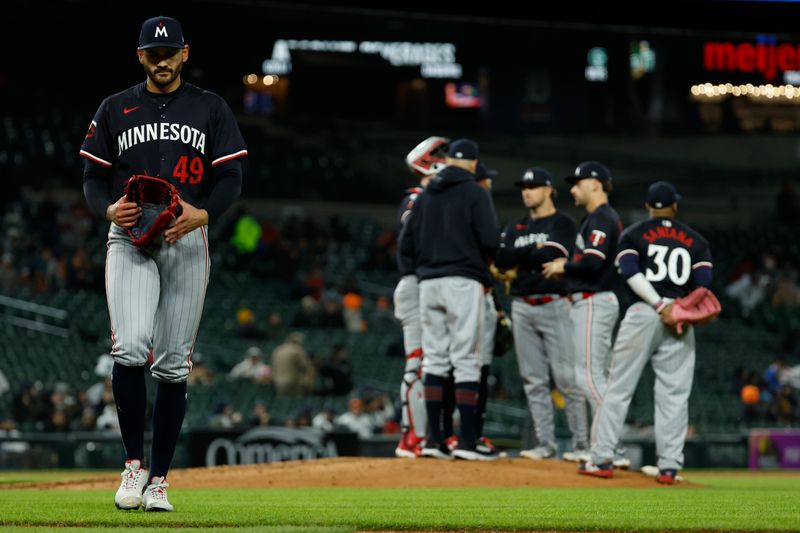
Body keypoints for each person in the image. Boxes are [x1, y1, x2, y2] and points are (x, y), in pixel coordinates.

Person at [79, 16, 248, 512]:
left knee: (173, 366)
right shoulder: (114, 107)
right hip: (129, 237)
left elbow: (232, 176)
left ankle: (159, 480)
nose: (161, 59)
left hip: (185, 236)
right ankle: (133, 467)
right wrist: (106, 209)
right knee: (130, 348)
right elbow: (92, 177)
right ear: (140, 57)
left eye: (169, 51)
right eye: (153, 53)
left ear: (184, 53)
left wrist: (205, 213)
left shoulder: (210, 107)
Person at [579, 181, 713, 484]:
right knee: (675, 395)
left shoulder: (634, 234)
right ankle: (668, 467)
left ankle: (601, 459)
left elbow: (629, 271)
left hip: (644, 311)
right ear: (675, 207)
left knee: (618, 387)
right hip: (680, 316)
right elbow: (704, 282)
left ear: (648, 207)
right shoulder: (696, 240)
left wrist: (656, 304)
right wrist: (678, 308)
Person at [399, 138, 501, 460]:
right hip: (463, 281)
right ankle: (468, 442)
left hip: (428, 283)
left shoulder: (427, 194)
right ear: (472, 163)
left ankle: (433, 441)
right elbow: (490, 239)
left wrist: (425, 268)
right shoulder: (475, 192)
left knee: (435, 360)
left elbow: (405, 243)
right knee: (466, 359)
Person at [494, 167, 589, 462]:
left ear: (549, 190)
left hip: (555, 303)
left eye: (533, 186)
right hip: (522, 306)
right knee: (532, 381)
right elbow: (499, 258)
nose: (527, 191)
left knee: (566, 379)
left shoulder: (563, 223)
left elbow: (552, 253)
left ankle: (582, 445)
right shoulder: (515, 227)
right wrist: (530, 254)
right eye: (524, 187)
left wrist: (519, 259)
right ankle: (545, 444)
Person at [541, 160, 627, 468]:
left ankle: (609, 447)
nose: (573, 189)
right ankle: (604, 447)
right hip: (589, 300)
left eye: (577, 183)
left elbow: (592, 262)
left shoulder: (602, 217)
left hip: (594, 301)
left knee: (588, 377)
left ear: (595, 184)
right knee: (591, 377)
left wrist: (564, 266)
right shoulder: (595, 218)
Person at [393, 136, 449, 458]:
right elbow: (409, 240)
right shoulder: (416, 197)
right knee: (417, 362)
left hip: (423, 284)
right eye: (440, 156)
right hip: (414, 284)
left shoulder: (431, 199)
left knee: (428, 363)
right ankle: (410, 437)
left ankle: (421, 435)